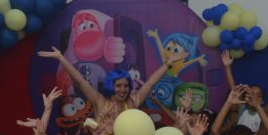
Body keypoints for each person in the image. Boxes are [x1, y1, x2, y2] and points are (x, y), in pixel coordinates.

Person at [38, 46, 189, 116]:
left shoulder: (132, 103)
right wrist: (61, 58)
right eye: (118, 85)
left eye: (126, 86)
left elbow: (150, 83)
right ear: (111, 85)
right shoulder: (100, 101)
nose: (123, 89)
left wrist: (169, 62)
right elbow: (80, 80)